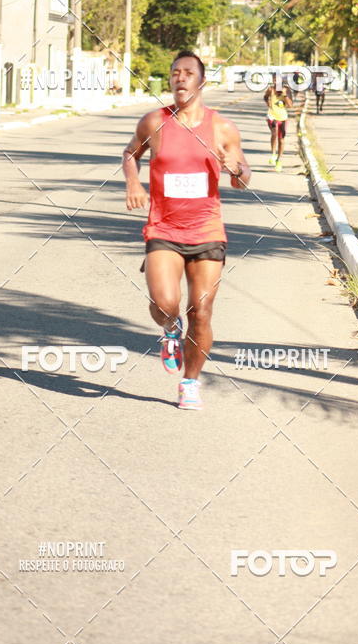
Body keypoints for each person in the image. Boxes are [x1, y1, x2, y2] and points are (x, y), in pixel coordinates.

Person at [122, 50, 251, 410]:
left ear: (202, 81)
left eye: (188, 72)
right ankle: (169, 330)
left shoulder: (222, 128)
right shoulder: (154, 123)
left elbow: (243, 179)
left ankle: (190, 382)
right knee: (166, 305)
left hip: (207, 231)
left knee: (202, 311)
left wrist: (235, 169)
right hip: (164, 228)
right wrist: (133, 183)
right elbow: (130, 153)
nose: (180, 78)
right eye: (175, 72)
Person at [263, 76, 292, 171]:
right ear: (273, 80)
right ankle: (273, 154)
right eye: (275, 80)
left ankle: (279, 160)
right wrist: (268, 104)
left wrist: (285, 96)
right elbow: (265, 97)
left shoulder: (286, 90)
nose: (276, 82)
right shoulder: (270, 89)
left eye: (278, 80)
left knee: (281, 139)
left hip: (283, 117)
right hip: (272, 116)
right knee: (274, 132)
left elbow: (290, 105)